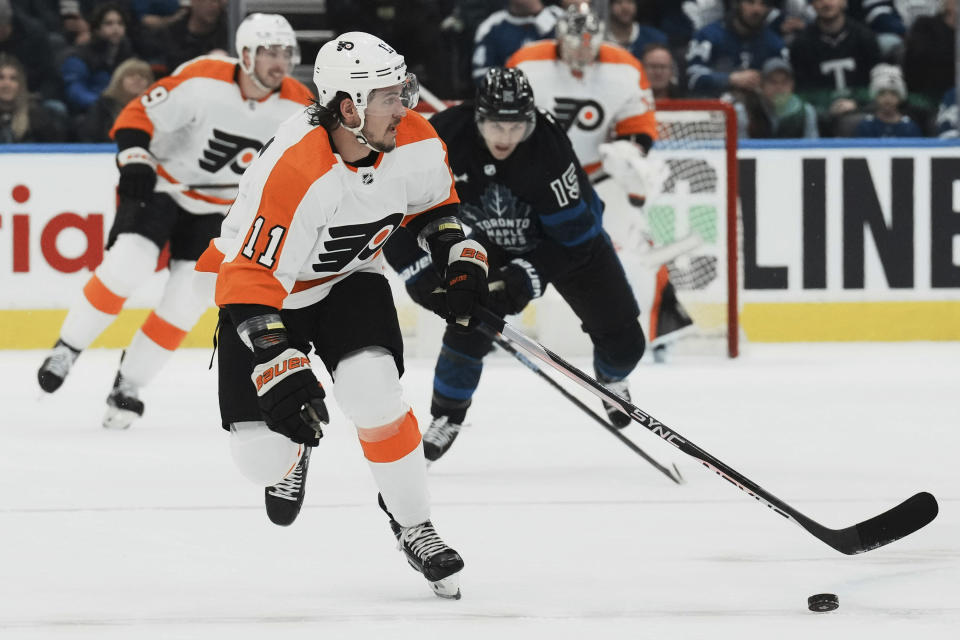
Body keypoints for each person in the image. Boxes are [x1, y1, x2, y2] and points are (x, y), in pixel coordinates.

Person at [195, 32, 483, 599]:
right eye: (389, 97)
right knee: (260, 460)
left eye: (404, 91)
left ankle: (413, 523)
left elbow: (438, 210)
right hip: (265, 296)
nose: (405, 107)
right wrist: (278, 359)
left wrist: (459, 259)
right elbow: (248, 281)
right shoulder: (295, 169)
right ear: (348, 107)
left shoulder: (416, 139)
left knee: (375, 395)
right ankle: (292, 454)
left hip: (349, 281)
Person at [36, 14, 314, 430]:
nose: (281, 62)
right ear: (245, 54)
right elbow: (136, 114)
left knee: (190, 295)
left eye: (287, 53)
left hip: (223, 211)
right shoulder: (202, 79)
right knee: (129, 263)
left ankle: (128, 385)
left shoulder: (300, 106)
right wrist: (134, 159)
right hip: (164, 189)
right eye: (270, 52)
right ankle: (68, 347)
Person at [384, 67, 646, 461]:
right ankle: (448, 415)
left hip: (571, 242)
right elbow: (395, 209)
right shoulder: (440, 137)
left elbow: (574, 240)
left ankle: (611, 376)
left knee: (626, 343)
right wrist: (416, 273)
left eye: (516, 127)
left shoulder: (548, 149)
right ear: (478, 118)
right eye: (495, 125)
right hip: (490, 240)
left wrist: (526, 278)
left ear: (530, 120)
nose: (505, 137)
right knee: (467, 318)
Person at [508, 2, 694, 360]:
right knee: (507, 243)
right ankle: (495, 325)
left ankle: (661, 333)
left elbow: (638, 124)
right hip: (537, 176)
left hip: (599, 176)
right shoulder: (528, 62)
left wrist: (629, 154)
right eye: (576, 44)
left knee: (638, 250)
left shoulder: (624, 66)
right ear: (560, 37)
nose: (582, 53)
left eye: (590, 45)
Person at [790, 0, 881, 136]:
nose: (826, 3)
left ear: (844, 2)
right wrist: (825, 108)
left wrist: (857, 103)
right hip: (819, 113)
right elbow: (801, 90)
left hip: (860, 108)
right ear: (812, 5)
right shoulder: (801, 44)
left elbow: (877, 83)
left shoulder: (865, 37)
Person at [684, 0, 789, 97]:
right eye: (750, 2)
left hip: (759, 111)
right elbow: (693, 79)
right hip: (715, 108)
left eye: (763, 4)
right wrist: (730, 79)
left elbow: (786, 85)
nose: (757, 9)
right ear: (736, 3)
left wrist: (763, 83)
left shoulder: (774, 43)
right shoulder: (708, 36)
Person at [60, 2, 135, 113]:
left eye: (120, 23)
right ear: (97, 29)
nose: (116, 28)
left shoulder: (128, 55)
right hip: (90, 113)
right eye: (109, 24)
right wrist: (104, 105)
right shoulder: (79, 56)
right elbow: (75, 91)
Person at [472, 0, 563, 84]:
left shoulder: (559, 17)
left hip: (557, 90)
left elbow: (572, 60)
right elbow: (481, 76)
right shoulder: (492, 26)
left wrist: (538, 12)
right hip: (512, 95)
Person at [76, 56, 152, 142]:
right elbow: (92, 135)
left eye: (143, 76)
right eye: (131, 75)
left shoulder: (155, 107)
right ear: (119, 80)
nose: (137, 79)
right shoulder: (103, 106)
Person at [0, 52, 68, 142]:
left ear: (21, 84)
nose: (6, 84)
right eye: (1, 78)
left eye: (13, 79)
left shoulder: (37, 116)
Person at [852, 63, 923, 136]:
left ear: (900, 97)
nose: (888, 99)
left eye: (893, 93)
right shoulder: (866, 126)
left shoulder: (910, 127)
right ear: (875, 96)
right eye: (882, 93)